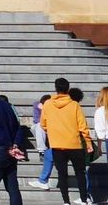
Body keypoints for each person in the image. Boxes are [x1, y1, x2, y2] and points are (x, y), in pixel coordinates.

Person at [40, 76, 94, 205]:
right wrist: (88, 142)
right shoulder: (74, 104)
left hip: (57, 145)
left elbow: (43, 124)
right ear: (68, 89)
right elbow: (82, 125)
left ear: (56, 88)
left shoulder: (47, 104)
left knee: (62, 174)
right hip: (74, 144)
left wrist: (53, 131)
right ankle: (83, 200)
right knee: (80, 173)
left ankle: (66, 201)